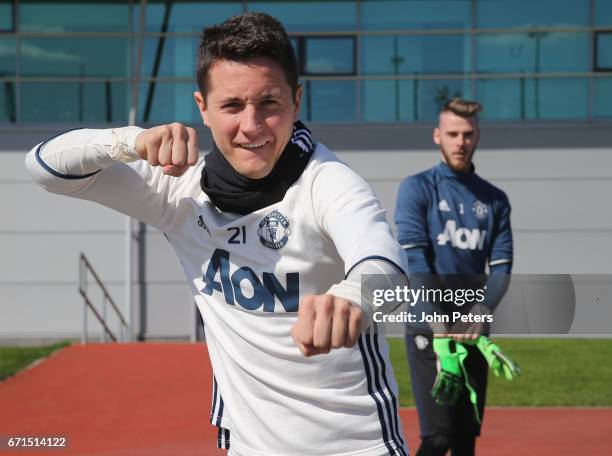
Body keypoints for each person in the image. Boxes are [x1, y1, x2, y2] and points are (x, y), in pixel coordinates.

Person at [26, 12, 410, 456]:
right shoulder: (177, 189)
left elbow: (388, 266)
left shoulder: (329, 181)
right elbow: (44, 169)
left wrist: (353, 299)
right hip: (249, 446)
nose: (252, 126)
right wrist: (131, 141)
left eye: (269, 103)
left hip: (357, 447)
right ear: (202, 108)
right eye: (231, 106)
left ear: (297, 101)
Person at [395, 98, 513, 456]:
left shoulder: (495, 200)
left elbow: (502, 268)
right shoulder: (417, 188)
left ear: (477, 136)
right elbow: (416, 260)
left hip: (472, 328)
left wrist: (481, 312)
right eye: (452, 134)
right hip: (429, 329)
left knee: (464, 441)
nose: (460, 141)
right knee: (439, 436)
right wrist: (437, 323)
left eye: (467, 134)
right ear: (437, 136)